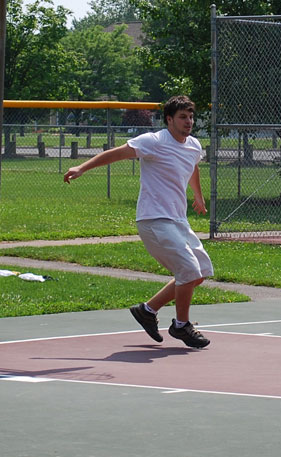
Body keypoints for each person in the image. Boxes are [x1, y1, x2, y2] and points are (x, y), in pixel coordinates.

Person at [63, 95, 212, 349]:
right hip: (154, 219)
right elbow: (116, 154)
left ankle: (147, 310)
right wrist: (82, 168)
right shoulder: (153, 141)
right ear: (169, 119)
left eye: (191, 117)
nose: (189, 122)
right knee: (188, 270)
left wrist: (197, 195)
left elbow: (193, 166)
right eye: (182, 117)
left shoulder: (193, 145)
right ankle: (181, 325)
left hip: (178, 220)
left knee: (200, 273)